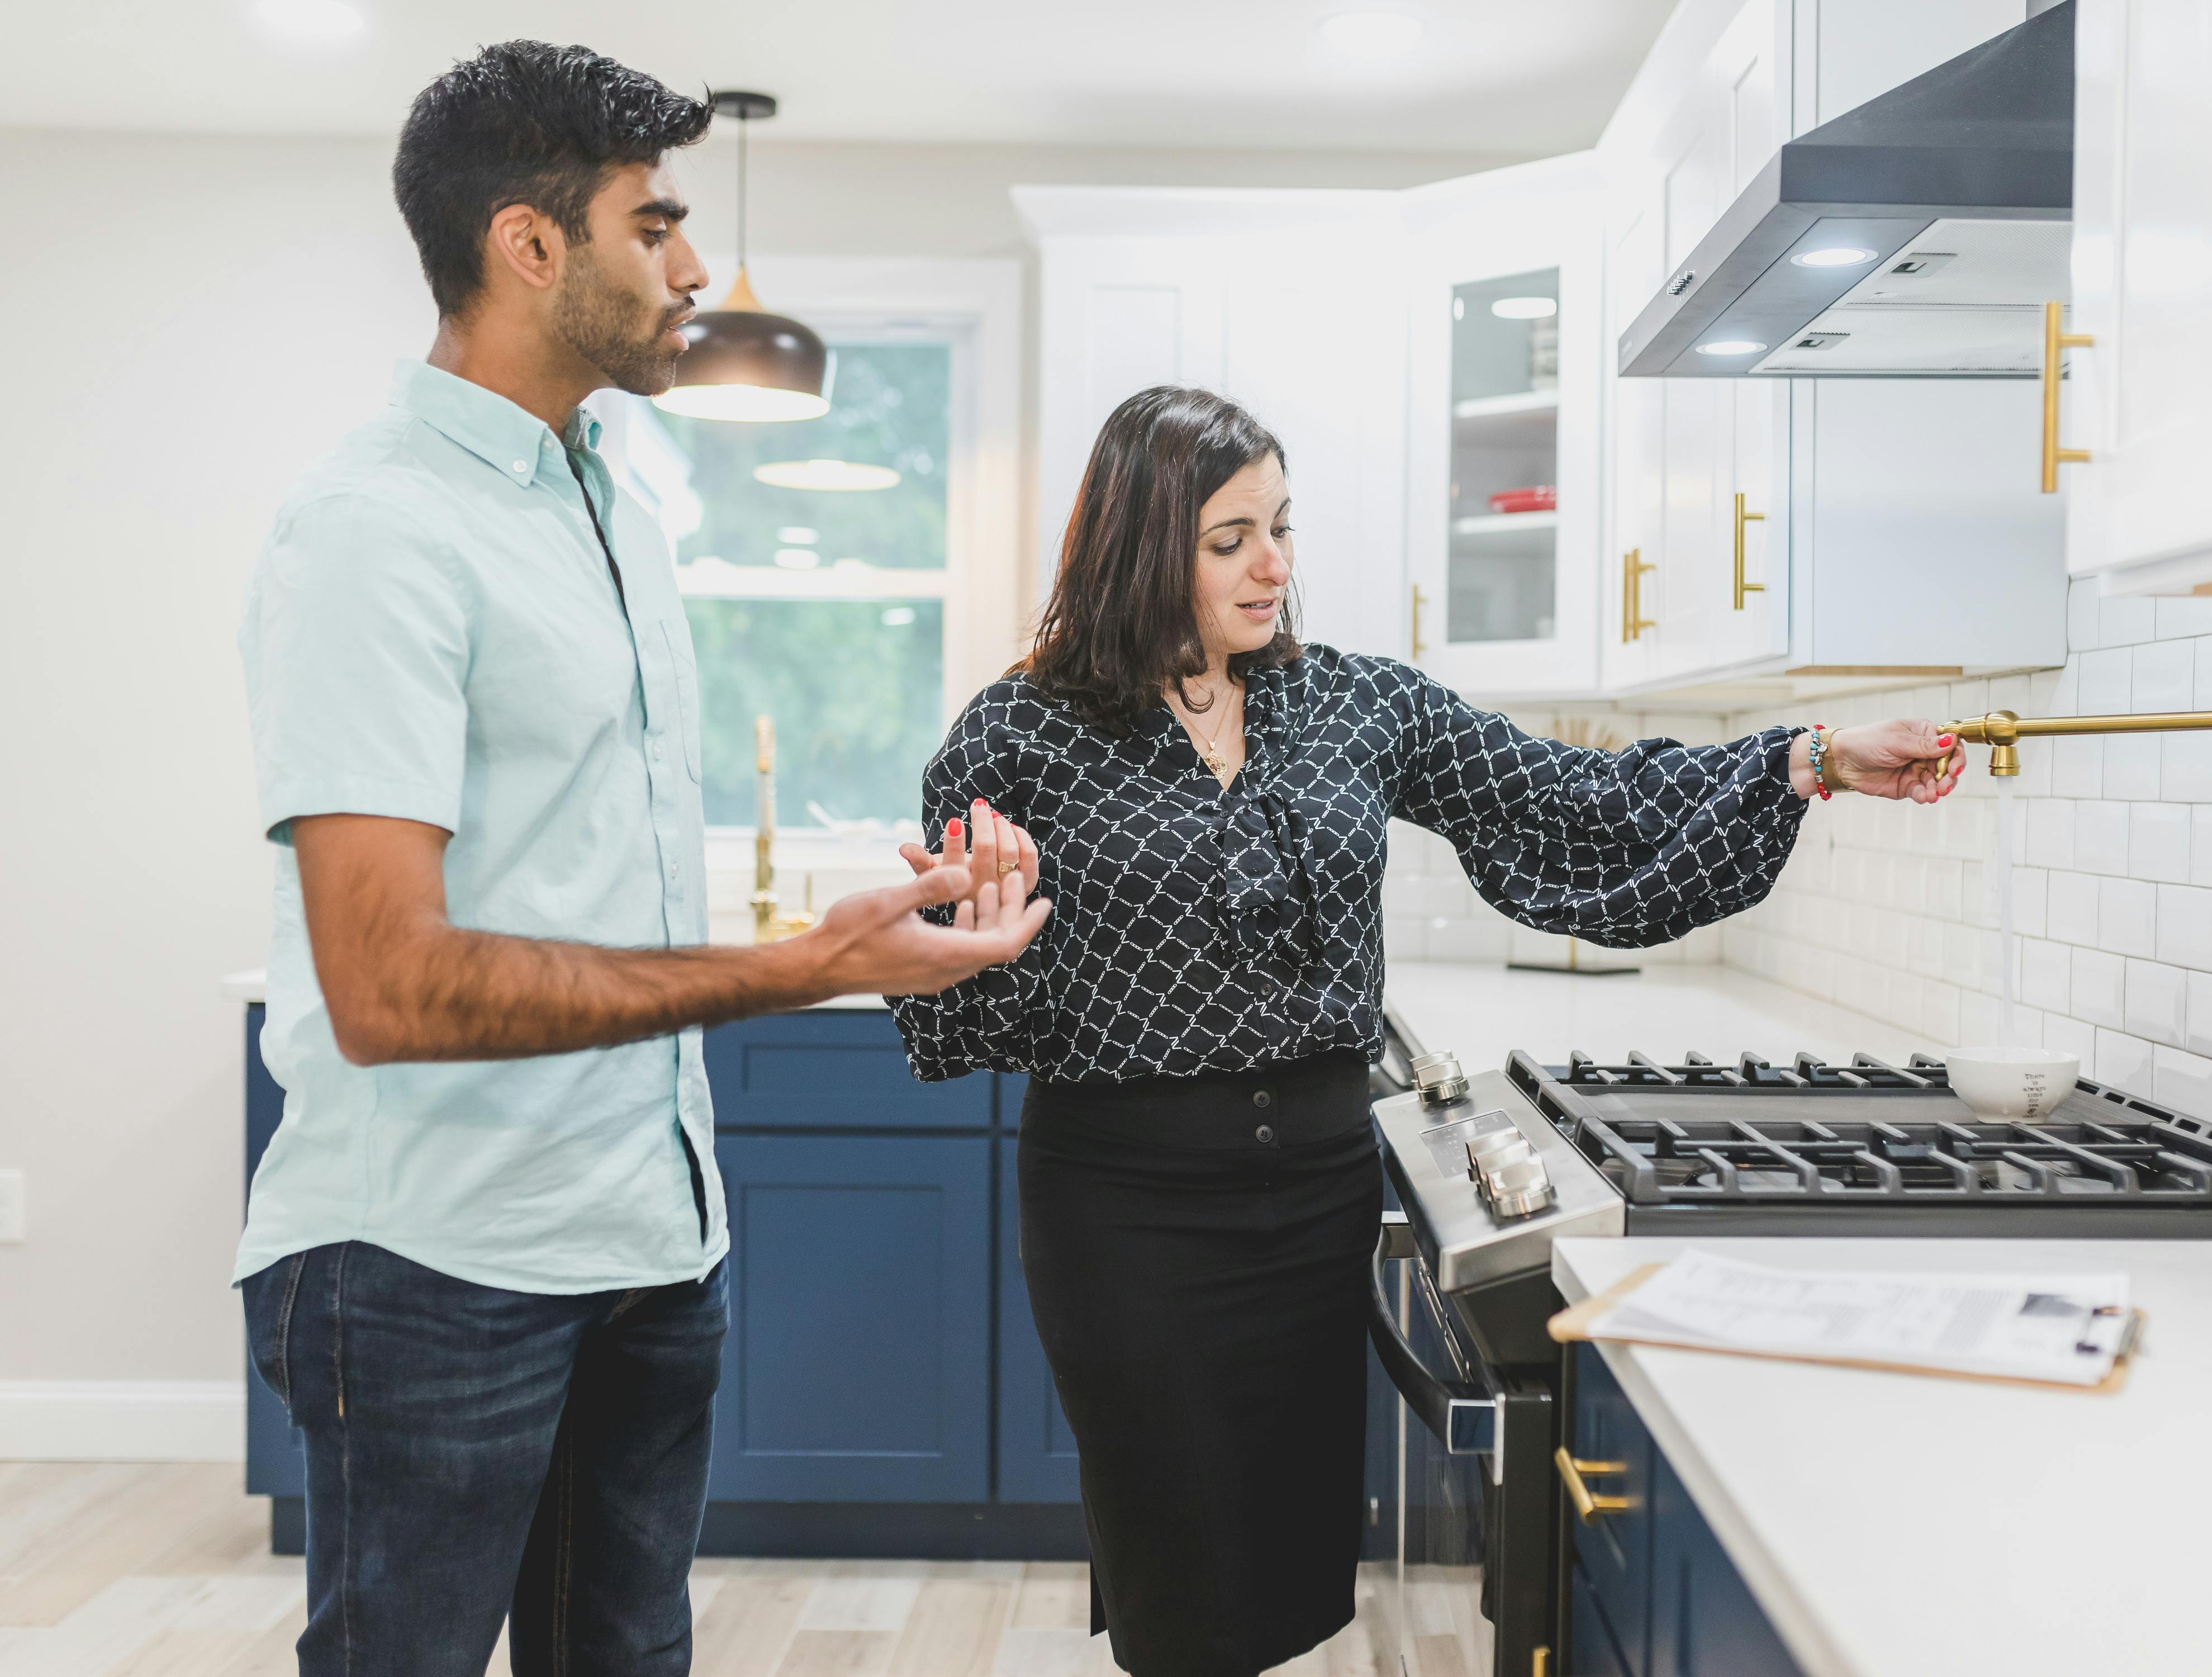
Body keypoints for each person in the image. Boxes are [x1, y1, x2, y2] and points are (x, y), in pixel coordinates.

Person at [887, 384, 1967, 1677]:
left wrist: (1812, 758)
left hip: (1315, 1197)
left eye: (1281, 527)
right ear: (1138, 543)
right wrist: (972, 927)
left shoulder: (1356, 704)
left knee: (1280, 1579)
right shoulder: (1020, 733)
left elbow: (1587, 802)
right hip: (1125, 1213)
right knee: (1181, 1583)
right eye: (1231, 539)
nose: (1274, 564)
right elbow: (951, 1017)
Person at [234, 42, 1047, 1677]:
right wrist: (805, 965)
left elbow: (585, 867)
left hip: (650, 1242)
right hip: (431, 1262)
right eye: (653, 224)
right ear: (530, 246)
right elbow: (387, 983)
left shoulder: (609, 507)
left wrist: (856, 922)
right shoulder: (376, 531)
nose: (691, 267)